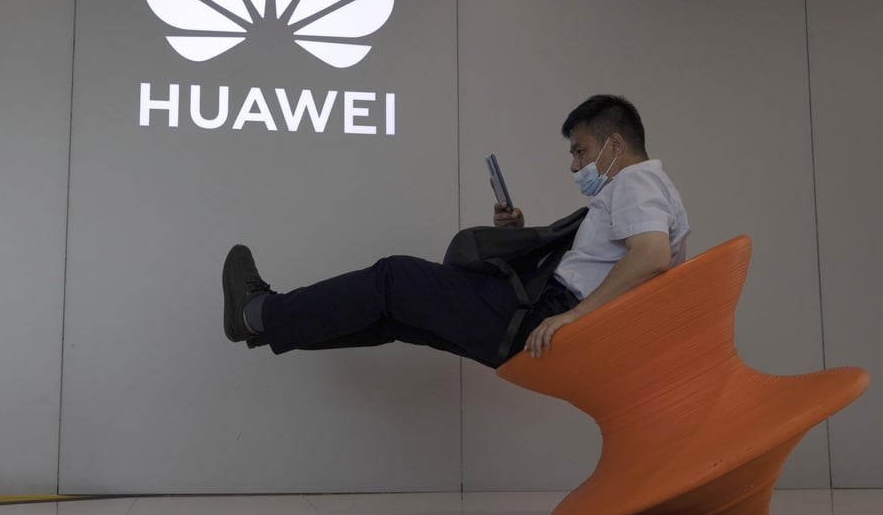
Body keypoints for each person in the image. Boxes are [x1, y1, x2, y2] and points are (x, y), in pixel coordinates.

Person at [222, 95, 690, 368]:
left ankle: (260, 314)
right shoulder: (634, 189)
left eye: (580, 151)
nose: (575, 165)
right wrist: (519, 234)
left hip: (546, 316)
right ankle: (264, 321)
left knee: (395, 278)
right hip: (546, 308)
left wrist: (574, 317)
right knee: (393, 314)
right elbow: (609, 259)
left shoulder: (638, 178)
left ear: (614, 143)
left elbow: (650, 256)